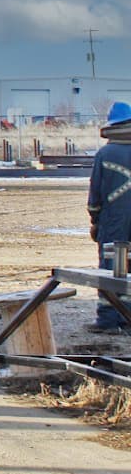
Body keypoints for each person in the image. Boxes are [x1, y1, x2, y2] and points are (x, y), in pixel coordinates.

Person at [88, 101, 131, 334]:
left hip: (113, 220)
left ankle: (107, 319)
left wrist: (94, 219)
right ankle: (128, 318)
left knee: (110, 266)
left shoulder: (105, 153)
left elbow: (95, 193)